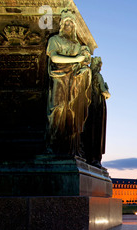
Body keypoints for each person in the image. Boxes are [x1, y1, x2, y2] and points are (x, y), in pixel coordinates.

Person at [46, 9, 92, 156]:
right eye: (66, 22)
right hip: (59, 77)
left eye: (71, 23)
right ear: (61, 24)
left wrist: (84, 67)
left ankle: (69, 145)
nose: (68, 25)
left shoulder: (77, 45)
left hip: (73, 82)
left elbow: (82, 64)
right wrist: (76, 59)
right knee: (57, 109)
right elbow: (54, 58)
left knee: (71, 113)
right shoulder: (55, 40)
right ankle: (53, 143)